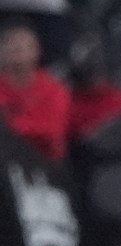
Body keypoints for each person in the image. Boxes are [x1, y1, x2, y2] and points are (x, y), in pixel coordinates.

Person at [0, 22, 71, 163]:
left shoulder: (53, 89)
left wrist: (10, 127)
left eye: (22, 47)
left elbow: (49, 132)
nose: (16, 52)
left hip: (43, 163)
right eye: (11, 47)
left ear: (36, 51)